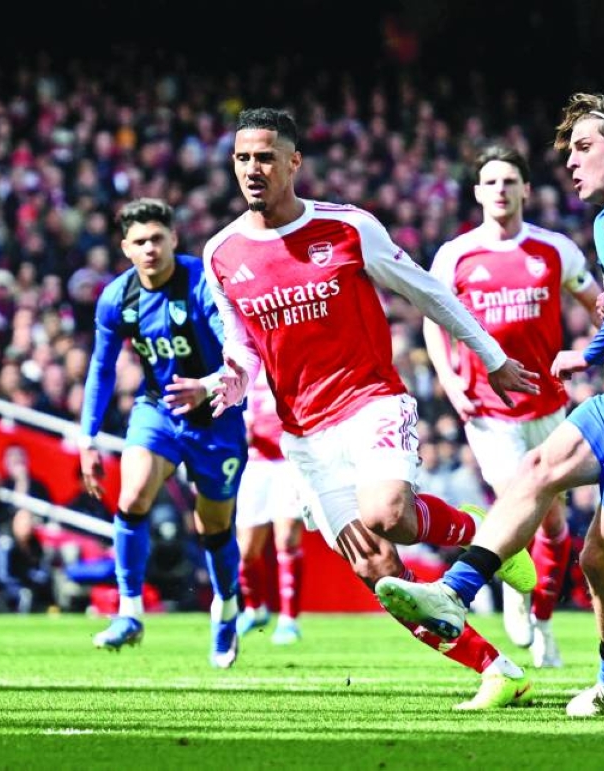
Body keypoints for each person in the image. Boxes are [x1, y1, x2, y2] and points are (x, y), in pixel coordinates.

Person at [374, 92, 604, 717]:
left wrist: (594, 350)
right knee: (539, 469)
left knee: (600, 557)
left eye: (583, 147)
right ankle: (454, 593)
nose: (570, 163)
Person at [204, 107, 541, 709]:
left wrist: (489, 356)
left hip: (370, 401)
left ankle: (487, 538)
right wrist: (223, 382)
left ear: (293, 163)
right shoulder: (222, 253)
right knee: (382, 572)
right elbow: (243, 348)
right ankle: (497, 668)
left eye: (264, 157)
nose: (252, 169)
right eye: (241, 158)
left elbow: (428, 291)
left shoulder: (349, 228)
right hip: (304, 435)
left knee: (387, 512)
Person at [424, 145, 602, 668]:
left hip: (548, 407)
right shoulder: (455, 255)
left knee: (553, 524)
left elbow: (594, 303)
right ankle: (512, 593)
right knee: (518, 501)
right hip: (488, 410)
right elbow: (435, 319)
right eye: (490, 182)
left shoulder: (554, 250)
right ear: (478, 193)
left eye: (509, 181)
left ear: (526, 189)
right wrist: (450, 380)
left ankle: (543, 618)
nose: (500, 190)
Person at [79, 197, 248, 669]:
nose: (150, 248)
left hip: (217, 413)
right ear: (125, 248)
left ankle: (226, 606)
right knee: (131, 496)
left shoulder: (201, 284)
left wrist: (209, 385)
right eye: (140, 241)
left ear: (174, 238)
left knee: (210, 525)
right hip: (158, 410)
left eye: (157, 238)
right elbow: (101, 368)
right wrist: (87, 437)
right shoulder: (117, 298)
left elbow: (237, 351)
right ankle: (129, 610)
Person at [235, 365, 308, 645]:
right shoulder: (244, 360)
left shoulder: (292, 357)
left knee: (287, 537)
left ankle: (289, 620)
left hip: (289, 461)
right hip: (255, 463)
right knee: (246, 550)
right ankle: (255, 608)